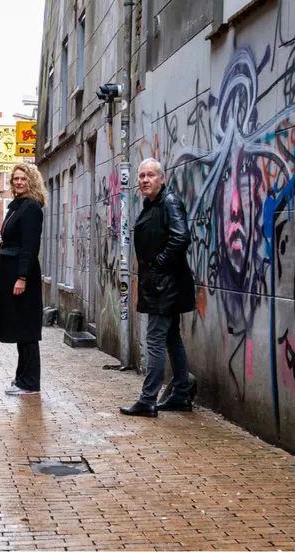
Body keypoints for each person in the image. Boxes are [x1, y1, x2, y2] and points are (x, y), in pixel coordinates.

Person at [120, 158, 196, 417]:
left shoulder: (169, 202)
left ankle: (147, 399)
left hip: (165, 286)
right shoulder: (152, 204)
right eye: (141, 176)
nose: (144, 180)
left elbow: (181, 237)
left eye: (150, 175)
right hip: (161, 284)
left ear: (162, 179)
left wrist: (158, 264)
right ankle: (181, 394)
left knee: (154, 340)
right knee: (172, 339)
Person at [0, 163, 47, 395]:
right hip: (10, 273)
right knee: (19, 328)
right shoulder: (17, 207)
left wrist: (22, 277)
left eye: (23, 178)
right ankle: (22, 377)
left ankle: (30, 382)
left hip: (22, 275)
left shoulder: (31, 208)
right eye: (15, 178)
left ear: (31, 181)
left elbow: (30, 246)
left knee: (26, 329)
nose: (19, 182)